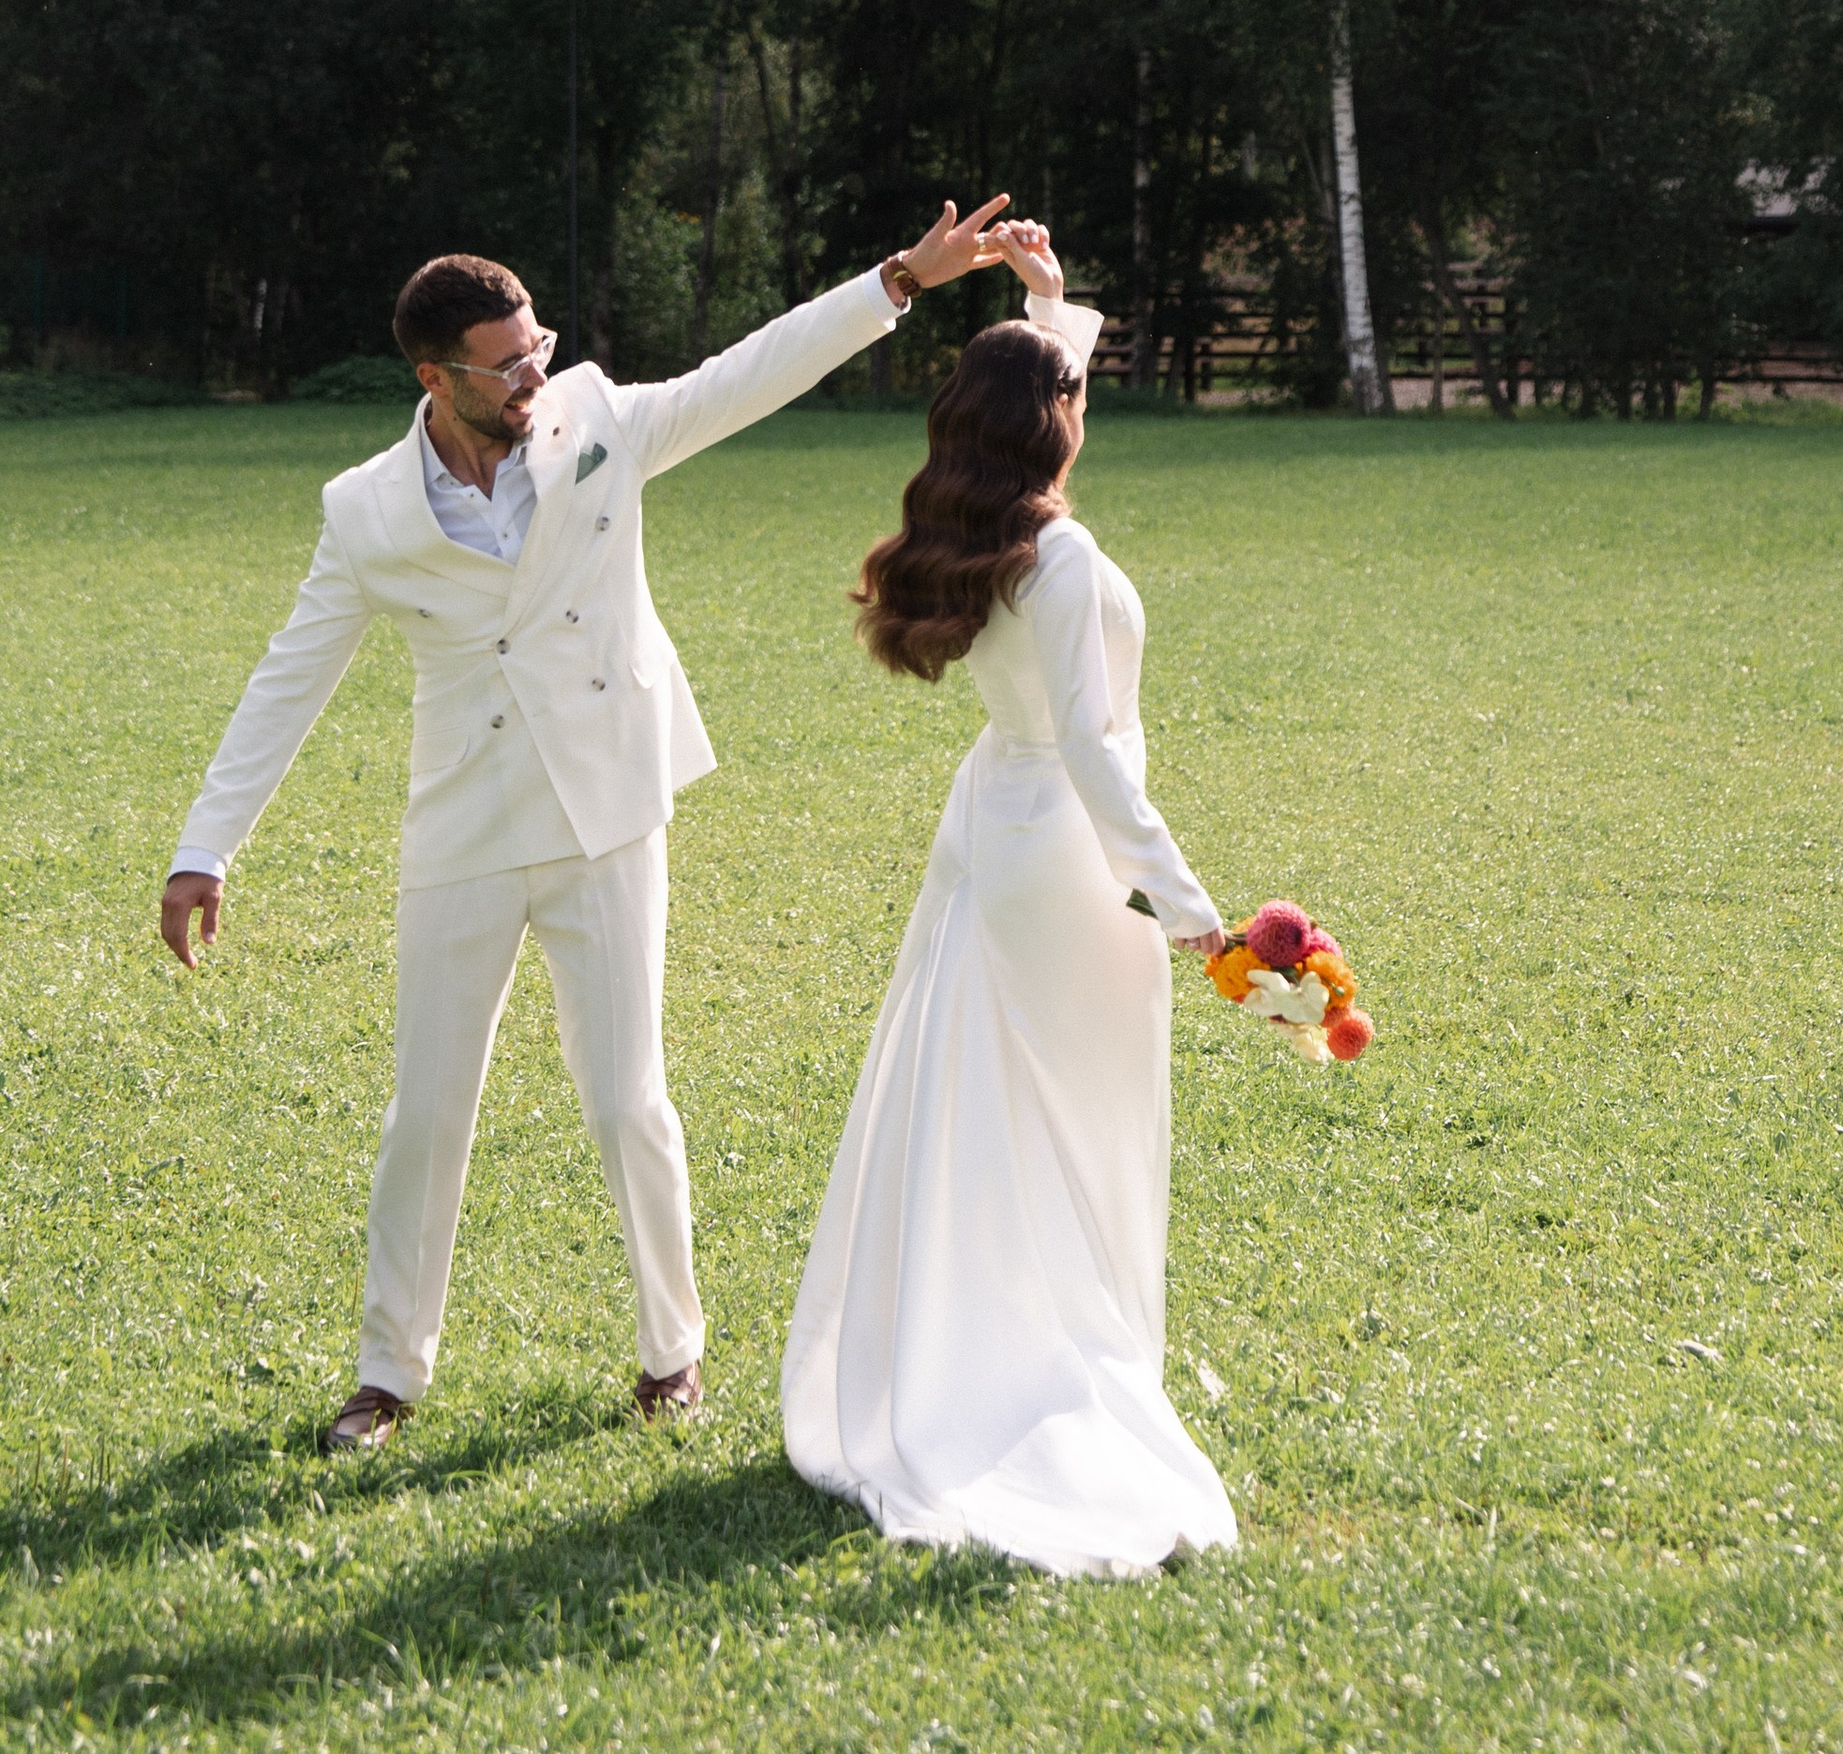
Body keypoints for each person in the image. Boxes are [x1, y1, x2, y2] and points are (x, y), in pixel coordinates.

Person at [159, 197, 1011, 1454]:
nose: (533, 375)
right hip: (463, 829)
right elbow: (292, 675)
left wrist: (897, 280)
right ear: (434, 378)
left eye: (537, 346)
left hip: (611, 811)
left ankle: (674, 1354)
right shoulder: (364, 511)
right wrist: (202, 846)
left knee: (628, 1105)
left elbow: (746, 376)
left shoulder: (600, 416)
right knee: (425, 1116)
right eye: (506, 365)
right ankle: (388, 1375)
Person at [781, 219, 1236, 1578]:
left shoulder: (983, 527)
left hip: (996, 821)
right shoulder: (1068, 556)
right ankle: (1063, 1353)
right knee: (1079, 1113)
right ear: (1057, 426)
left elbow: (1047, 401)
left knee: (1007, 1097)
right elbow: (1099, 750)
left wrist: (1046, 307)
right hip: (1071, 857)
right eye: (1073, 395)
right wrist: (1189, 904)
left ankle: (1015, 1334)